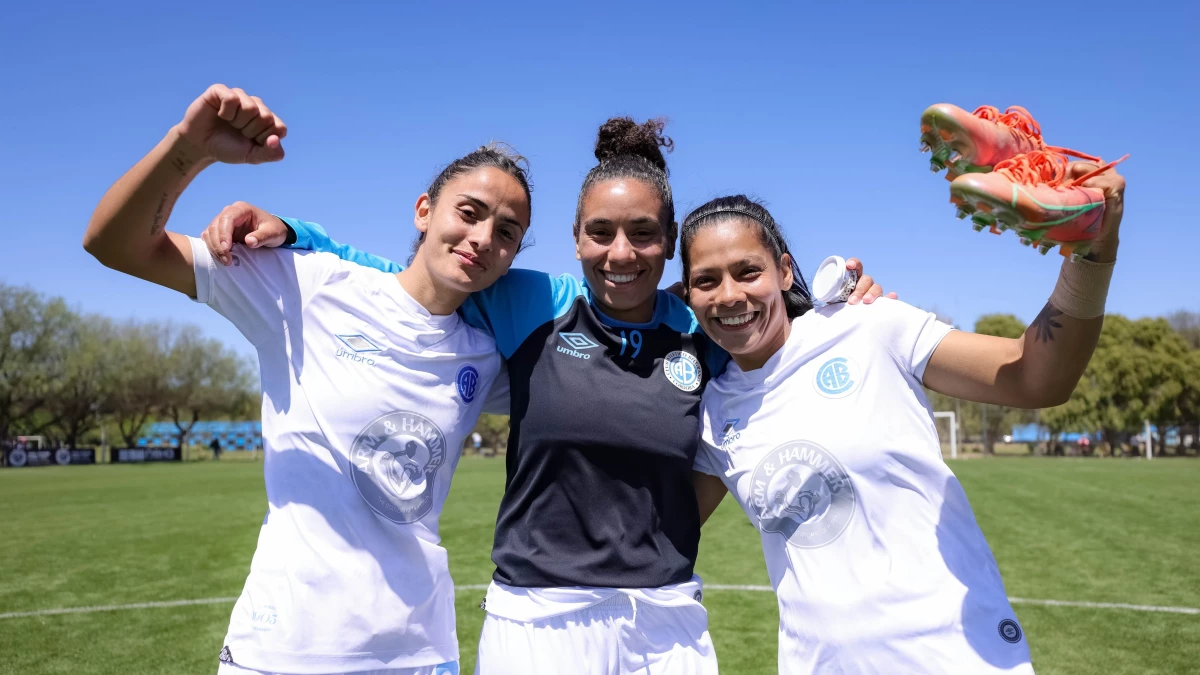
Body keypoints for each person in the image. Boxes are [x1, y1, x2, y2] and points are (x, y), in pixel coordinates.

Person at [200, 117, 889, 674]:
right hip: (539, 622)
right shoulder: (531, 301)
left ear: (668, 245)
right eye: (601, 233)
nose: (622, 251)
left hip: (671, 621)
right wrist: (302, 237)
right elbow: (410, 276)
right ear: (575, 239)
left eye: (644, 234)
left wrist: (838, 303)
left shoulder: (695, 329)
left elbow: (768, 327)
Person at [83, 84, 533, 675]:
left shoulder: (486, 356)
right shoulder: (309, 286)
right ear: (424, 211)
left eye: (507, 232)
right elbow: (115, 244)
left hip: (422, 653)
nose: (483, 239)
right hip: (286, 648)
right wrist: (188, 148)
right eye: (469, 213)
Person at [679, 169, 1123, 673]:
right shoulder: (714, 413)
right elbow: (655, 532)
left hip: (953, 655)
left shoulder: (869, 326)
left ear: (784, 271)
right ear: (688, 294)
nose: (729, 295)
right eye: (706, 281)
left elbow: (1035, 377)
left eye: (747, 271)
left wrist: (1093, 253)